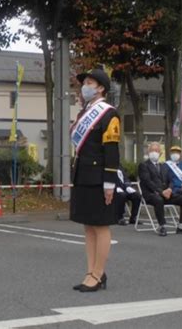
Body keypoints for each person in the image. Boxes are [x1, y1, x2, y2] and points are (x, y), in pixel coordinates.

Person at [70, 68, 120, 292]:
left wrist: (109, 182)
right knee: (88, 226)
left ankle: (98, 274)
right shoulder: (84, 112)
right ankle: (91, 271)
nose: (85, 86)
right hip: (83, 175)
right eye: (84, 82)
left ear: (101, 88)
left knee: (100, 226)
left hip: (99, 177)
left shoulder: (109, 114)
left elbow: (112, 151)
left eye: (89, 82)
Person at [138, 142, 182, 237]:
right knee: (159, 199)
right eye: (152, 150)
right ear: (148, 152)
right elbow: (147, 182)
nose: (154, 152)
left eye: (157, 151)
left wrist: (169, 189)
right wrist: (161, 192)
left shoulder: (163, 166)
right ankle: (162, 226)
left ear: (160, 153)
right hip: (151, 194)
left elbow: (171, 180)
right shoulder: (144, 165)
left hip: (166, 193)